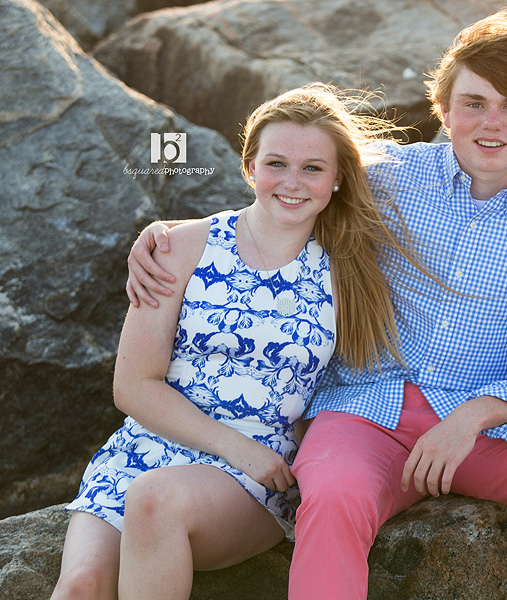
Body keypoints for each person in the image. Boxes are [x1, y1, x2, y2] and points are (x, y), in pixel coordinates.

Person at [126, 9, 507, 599]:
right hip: (367, 411)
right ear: (444, 110)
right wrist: (169, 235)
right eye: (474, 103)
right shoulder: (384, 177)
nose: (492, 123)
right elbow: (288, 190)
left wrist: (473, 417)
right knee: (332, 494)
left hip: (491, 421)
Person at [52, 83, 429, 600]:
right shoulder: (179, 247)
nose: (292, 183)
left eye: (313, 168)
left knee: (156, 502)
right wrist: (231, 445)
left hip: (257, 471)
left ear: (338, 178)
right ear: (250, 167)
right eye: (276, 164)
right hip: (146, 448)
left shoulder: (348, 273)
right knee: (79, 587)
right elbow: (133, 385)